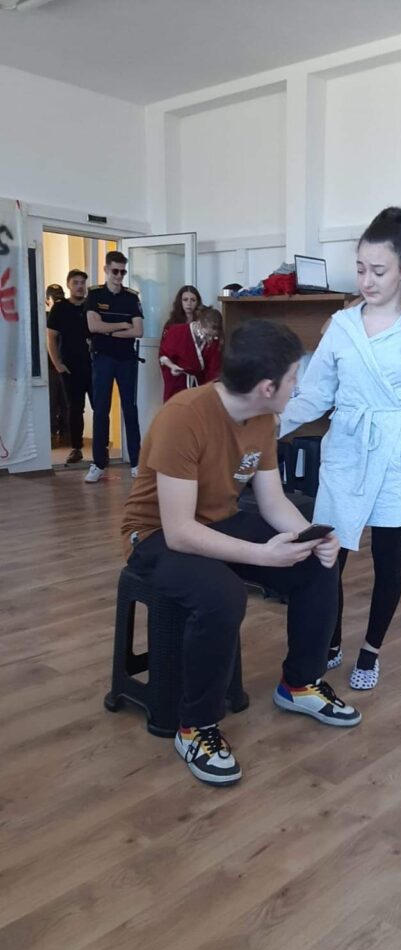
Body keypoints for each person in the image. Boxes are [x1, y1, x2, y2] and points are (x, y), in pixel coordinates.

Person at [122, 319, 361, 786]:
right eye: (294, 378)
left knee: (318, 564)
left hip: (217, 521)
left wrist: (310, 535)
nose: (298, 387)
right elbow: (179, 532)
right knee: (223, 596)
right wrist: (262, 555)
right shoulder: (183, 416)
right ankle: (195, 728)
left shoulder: (264, 418)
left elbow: (272, 502)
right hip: (155, 534)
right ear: (268, 386)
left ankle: (300, 684)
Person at [280, 207, 401, 691]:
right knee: (329, 555)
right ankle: (331, 639)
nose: (367, 280)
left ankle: (371, 650)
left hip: (399, 451)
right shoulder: (342, 324)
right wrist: (268, 425)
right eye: (360, 269)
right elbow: (315, 394)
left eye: (378, 270)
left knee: (387, 556)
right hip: (347, 447)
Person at [84, 251, 144, 484]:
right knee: (101, 410)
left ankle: (136, 462)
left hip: (126, 359)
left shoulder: (131, 297)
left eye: (122, 272)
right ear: (106, 270)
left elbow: (138, 331)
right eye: (115, 271)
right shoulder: (94, 294)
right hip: (103, 358)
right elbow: (93, 326)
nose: (119, 276)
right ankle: (98, 464)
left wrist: (107, 329)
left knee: (130, 409)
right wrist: (121, 325)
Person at [46, 269, 92, 464]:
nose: (80, 286)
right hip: (70, 367)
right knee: (74, 408)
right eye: (76, 283)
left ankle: (102, 448)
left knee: (100, 407)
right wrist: (58, 364)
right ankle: (76, 448)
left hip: (95, 366)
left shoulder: (92, 306)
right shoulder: (60, 308)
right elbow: (51, 338)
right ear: (69, 285)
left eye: (82, 282)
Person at [159, 306, 223, 402]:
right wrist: (172, 366)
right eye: (207, 335)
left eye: (213, 336)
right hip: (177, 382)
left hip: (199, 385)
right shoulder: (177, 331)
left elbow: (213, 369)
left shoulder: (215, 341)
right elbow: (163, 354)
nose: (210, 339)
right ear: (199, 324)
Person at [45, 283, 68, 447]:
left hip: (66, 365)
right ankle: (52, 435)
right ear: (47, 301)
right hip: (49, 367)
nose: (59, 301)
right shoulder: (44, 318)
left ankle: (67, 435)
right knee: (52, 403)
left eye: (61, 297)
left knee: (67, 403)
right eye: (55, 298)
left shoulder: (66, 315)